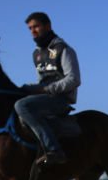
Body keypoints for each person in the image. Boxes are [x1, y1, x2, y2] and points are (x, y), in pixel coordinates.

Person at [15, 12, 81, 165]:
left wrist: (46, 90)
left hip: (61, 99)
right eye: (30, 28)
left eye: (36, 26)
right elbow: (41, 81)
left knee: (22, 105)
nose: (33, 31)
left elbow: (74, 79)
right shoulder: (37, 54)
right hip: (45, 97)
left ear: (48, 26)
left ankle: (54, 150)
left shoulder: (64, 49)